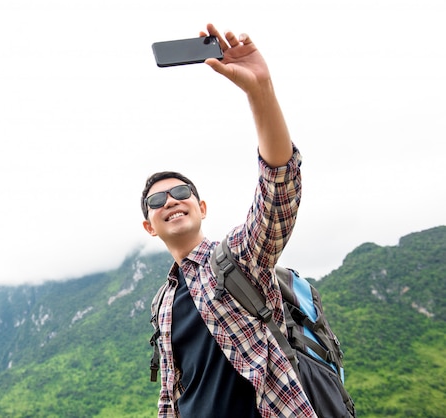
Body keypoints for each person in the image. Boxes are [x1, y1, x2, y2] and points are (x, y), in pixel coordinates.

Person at [141, 23, 316, 418]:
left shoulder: (236, 259)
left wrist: (260, 91)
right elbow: (171, 392)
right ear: (149, 226)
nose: (171, 200)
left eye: (182, 192)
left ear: (202, 207)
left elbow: (278, 191)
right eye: (157, 200)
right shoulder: (163, 302)